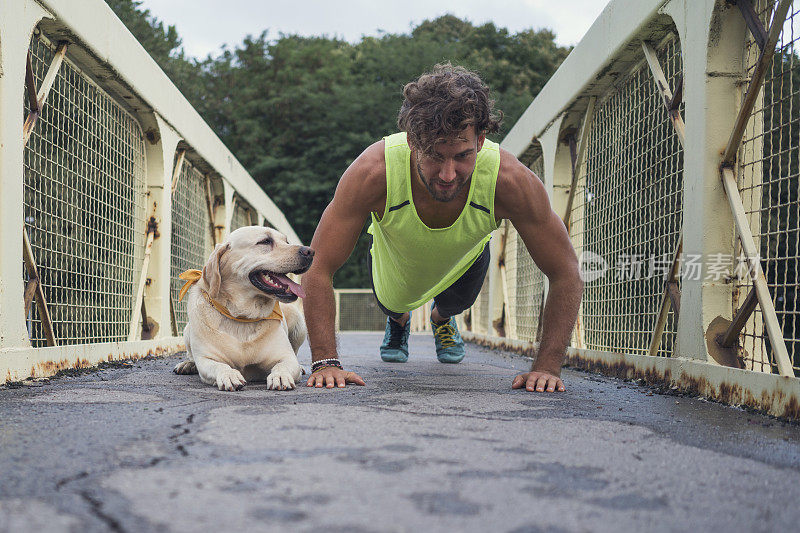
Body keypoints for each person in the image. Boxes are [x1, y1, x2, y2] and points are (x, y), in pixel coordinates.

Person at [301, 63, 583, 393]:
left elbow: (566, 271)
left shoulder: (509, 181)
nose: (448, 174)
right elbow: (317, 266)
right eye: (435, 156)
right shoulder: (373, 172)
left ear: (480, 141)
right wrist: (325, 362)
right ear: (411, 141)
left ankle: (440, 318)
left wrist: (547, 367)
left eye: (462, 155)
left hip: (463, 261)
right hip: (395, 265)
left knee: (454, 304)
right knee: (395, 304)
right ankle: (398, 321)